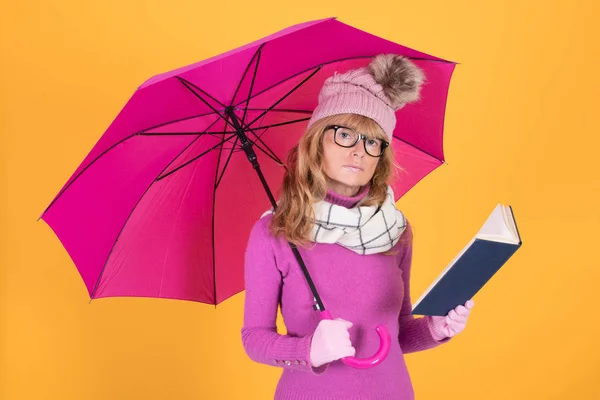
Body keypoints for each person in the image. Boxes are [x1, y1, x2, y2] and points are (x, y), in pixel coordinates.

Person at [240, 53, 475, 399]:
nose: (359, 152)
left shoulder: (395, 230)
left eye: (372, 141)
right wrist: (307, 350)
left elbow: (396, 333)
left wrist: (436, 328)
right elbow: (254, 337)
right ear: (318, 140)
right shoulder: (276, 232)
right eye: (345, 134)